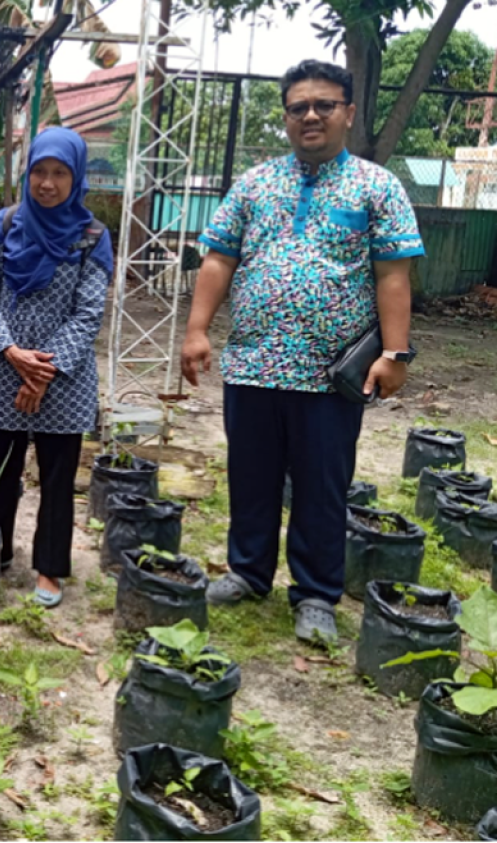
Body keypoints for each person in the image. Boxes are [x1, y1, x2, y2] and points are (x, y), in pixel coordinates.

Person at [180, 59, 423, 644]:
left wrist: (396, 353)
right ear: (286, 117)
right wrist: (196, 330)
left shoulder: (376, 186)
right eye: (298, 107)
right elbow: (218, 258)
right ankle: (247, 571)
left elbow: (393, 274)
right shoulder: (257, 183)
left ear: (348, 113)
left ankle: (315, 593)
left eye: (323, 105)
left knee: (322, 484)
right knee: (251, 475)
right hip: (255, 365)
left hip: (329, 373)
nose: (310, 116)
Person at [0, 127, 112, 609]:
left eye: (59, 173)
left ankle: (50, 567)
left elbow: (88, 312)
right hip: (2, 371)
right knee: (2, 471)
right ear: (27, 174)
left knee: (57, 476)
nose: (47, 184)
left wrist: (43, 370)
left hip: (63, 381)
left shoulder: (92, 237)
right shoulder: (4, 225)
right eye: (39, 172)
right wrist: (13, 353)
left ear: (76, 179)